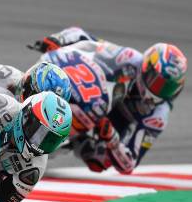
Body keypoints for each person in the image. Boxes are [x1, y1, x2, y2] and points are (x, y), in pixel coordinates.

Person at [29, 27, 187, 173]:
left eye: (167, 87)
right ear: (146, 67)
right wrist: (58, 40)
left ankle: (72, 141)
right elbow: (86, 39)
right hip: (94, 98)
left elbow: (129, 164)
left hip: (110, 128)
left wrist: (112, 138)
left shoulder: (158, 116)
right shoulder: (130, 59)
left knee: (100, 160)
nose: (159, 90)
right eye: (157, 81)